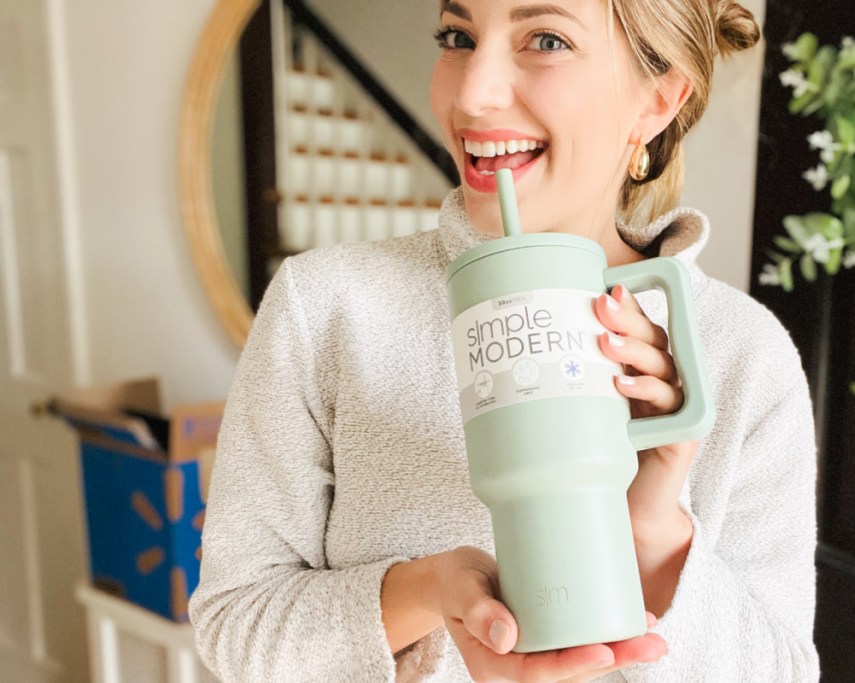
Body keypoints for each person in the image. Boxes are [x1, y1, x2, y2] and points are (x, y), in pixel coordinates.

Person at [190, 0, 820, 681]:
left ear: (658, 99)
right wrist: (429, 591)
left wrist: (654, 529)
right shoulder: (326, 306)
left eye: (545, 39)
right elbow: (236, 624)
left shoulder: (744, 357)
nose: (471, 93)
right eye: (457, 37)